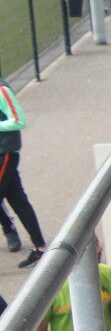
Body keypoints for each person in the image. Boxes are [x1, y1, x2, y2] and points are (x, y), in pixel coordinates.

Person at [0, 75, 49, 268]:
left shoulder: (2, 90)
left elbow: (19, 121)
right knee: (18, 201)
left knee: (18, 200)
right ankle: (40, 248)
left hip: (5, 153)